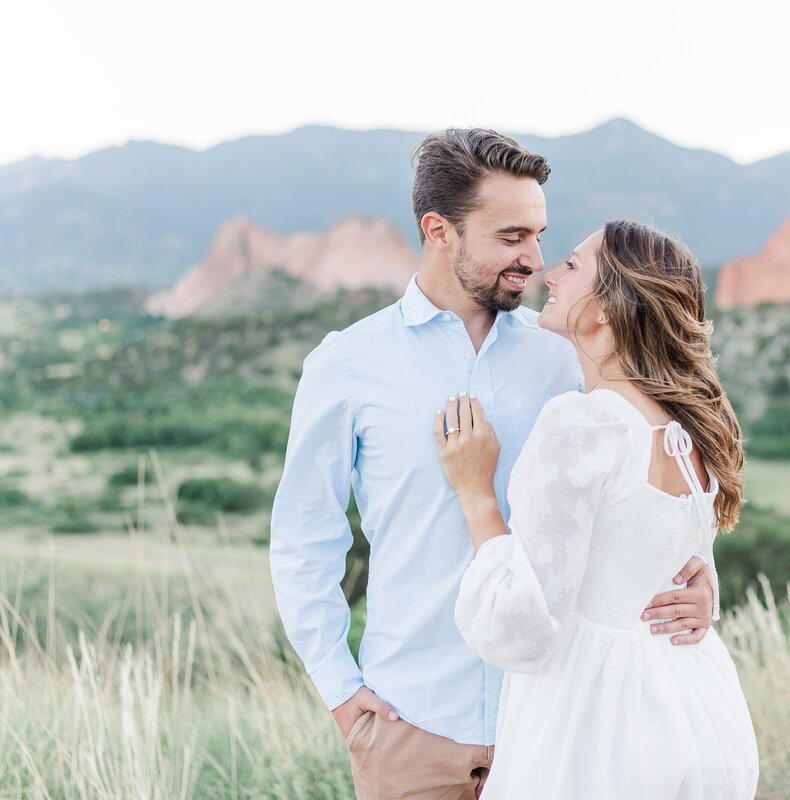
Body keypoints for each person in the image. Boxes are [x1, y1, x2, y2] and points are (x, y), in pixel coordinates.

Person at [269, 129, 717, 800]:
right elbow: (304, 539)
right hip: (408, 726)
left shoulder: (570, 357)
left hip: (555, 727)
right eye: (511, 238)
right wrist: (339, 689)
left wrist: (696, 578)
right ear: (439, 231)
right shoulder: (347, 365)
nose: (534, 260)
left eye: (539, 236)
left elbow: (646, 480)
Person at [434, 220, 759, 798]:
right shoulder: (689, 430)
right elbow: (680, 569)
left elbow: (524, 628)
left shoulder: (583, 423)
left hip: (597, 727)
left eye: (572, 265)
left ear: (607, 307)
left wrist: (475, 493)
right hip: (696, 710)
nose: (548, 273)